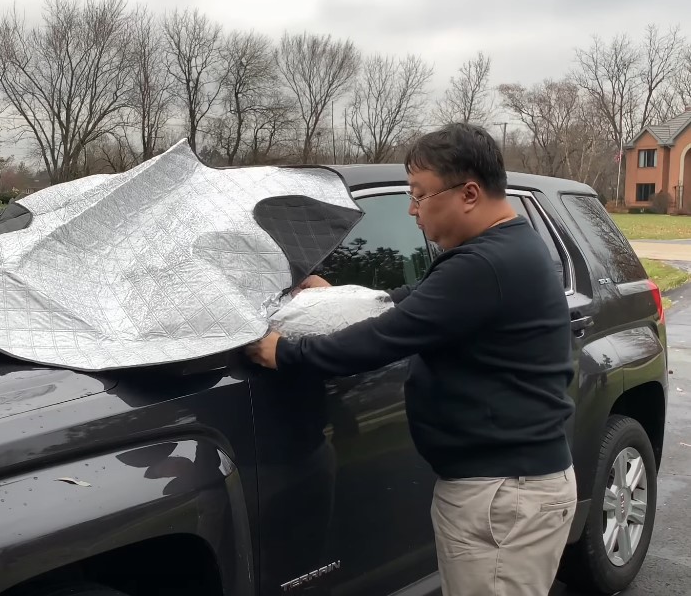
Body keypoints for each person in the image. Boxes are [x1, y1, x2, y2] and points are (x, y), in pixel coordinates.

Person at [245, 122, 577, 596]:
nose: (412, 210)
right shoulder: (506, 249)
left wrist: (286, 352)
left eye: (420, 195)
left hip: (501, 496)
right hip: (509, 488)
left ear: (467, 193)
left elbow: (384, 337)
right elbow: (410, 301)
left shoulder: (482, 265)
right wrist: (337, 295)